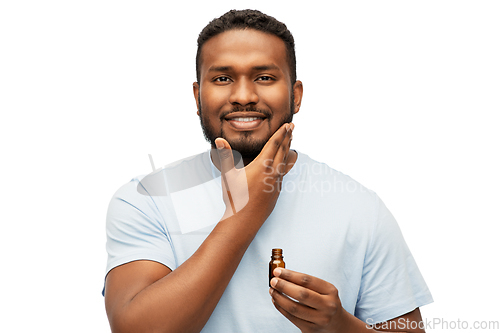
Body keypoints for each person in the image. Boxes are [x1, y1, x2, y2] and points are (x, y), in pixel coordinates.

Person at [103, 9, 433, 333]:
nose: (244, 96)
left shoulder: (361, 208)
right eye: (222, 79)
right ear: (197, 95)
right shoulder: (145, 199)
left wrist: (342, 328)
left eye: (264, 78)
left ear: (296, 94)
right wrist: (244, 215)